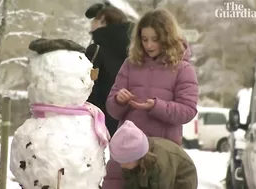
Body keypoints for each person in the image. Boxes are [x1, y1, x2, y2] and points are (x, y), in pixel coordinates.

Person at [102, 8, 199, 189]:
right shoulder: (130, 64)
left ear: (167, 37)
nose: (149, 45)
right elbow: (112, 109)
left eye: (155, 39)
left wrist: (156, 106)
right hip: (126, 150)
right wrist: (119, 100)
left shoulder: (183, 69)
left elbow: (188, 111)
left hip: (159, 155)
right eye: (144, 39)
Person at [84, 2, 133, 137]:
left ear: (103, 21)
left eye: (95, 20)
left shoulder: (97, 49)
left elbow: (85, 82)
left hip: (96, 119)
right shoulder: (133, 50)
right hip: (124, 116)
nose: (91, 24)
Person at [109, 120, 198, 189]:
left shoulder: (160, 163)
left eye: (125, 161)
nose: (122, 165)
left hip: (180, 181)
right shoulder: (132, 161)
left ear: (137, 156)